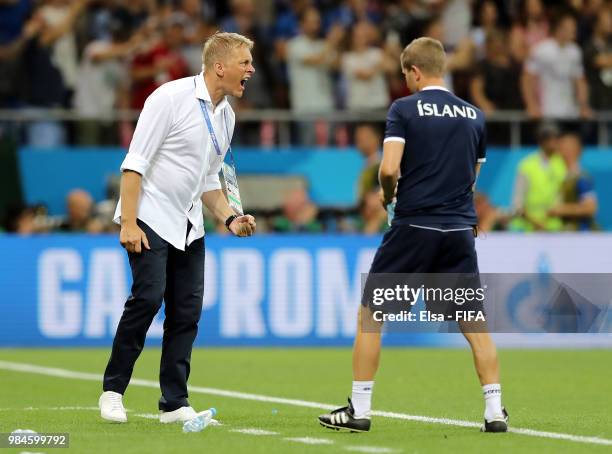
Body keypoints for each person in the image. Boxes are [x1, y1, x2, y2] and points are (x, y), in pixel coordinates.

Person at [318, 37, 508, 433]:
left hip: (414, 228)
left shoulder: (404, 109)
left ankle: (360, 409)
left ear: (415, 71)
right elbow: (472, 176)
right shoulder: (473, 115)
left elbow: (388, 168)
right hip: (458, 229)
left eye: (405, 74)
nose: (405, 81)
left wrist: (389, 197)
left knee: (372, 316)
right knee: (473, 322)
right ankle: (494, 411)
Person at [99, 32, 257, 424]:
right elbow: (134, 163)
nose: (251, 69)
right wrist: (130, 223)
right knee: (148, 299)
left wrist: (231, 217)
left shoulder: (226, 115)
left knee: (186, 313)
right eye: (245, 62)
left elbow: (207, 180)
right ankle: (113, 391)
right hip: (150, 215)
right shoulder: (168, 98)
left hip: (189, 223)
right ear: (220, 66)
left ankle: (174, 403)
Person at [521, 12, 592, 120]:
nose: (574, 30)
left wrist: (584, 106)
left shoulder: (575, 51)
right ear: (560, 28)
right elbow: (527, 78)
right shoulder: (541, 49)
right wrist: (531, 105)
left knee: (572, 137)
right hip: (546, 111)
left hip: (570, 112)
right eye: (571, 27)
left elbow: (580, 81)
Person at [510, 123, 567, 232]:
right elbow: (517, 203)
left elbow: (562, 197)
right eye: (551, 139)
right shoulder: (526, 165)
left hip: (554, 228)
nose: (555, 142)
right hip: (527, 229)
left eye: (556, 138)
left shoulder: (563, 163)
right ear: (542, 141)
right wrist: (535, 223)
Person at [550, 132, 598, 231]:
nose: (559, 151)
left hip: (580, 234)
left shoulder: (581, 177)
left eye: (563, 147)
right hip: (564, 232)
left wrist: (562, 210)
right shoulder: (561, 175)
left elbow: (590, 208)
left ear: (575, 150)